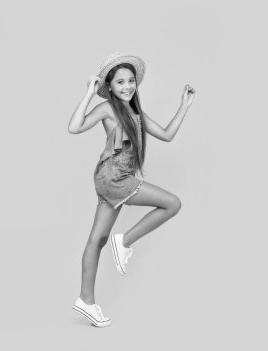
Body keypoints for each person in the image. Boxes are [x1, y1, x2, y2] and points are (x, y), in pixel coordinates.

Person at [68, 52, 195, 327]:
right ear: (110, 87)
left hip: (108, 179)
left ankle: (85, 300)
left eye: (131, 81)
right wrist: (89, 94)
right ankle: (124, 241)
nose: (127, 86)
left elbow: (166, 134)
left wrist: (184, 105)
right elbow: (74, 127)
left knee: (97, 239)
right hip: (114, 178)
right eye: (120, 82)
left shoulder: (135, 114)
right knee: (172, 203)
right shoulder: (107, 108)